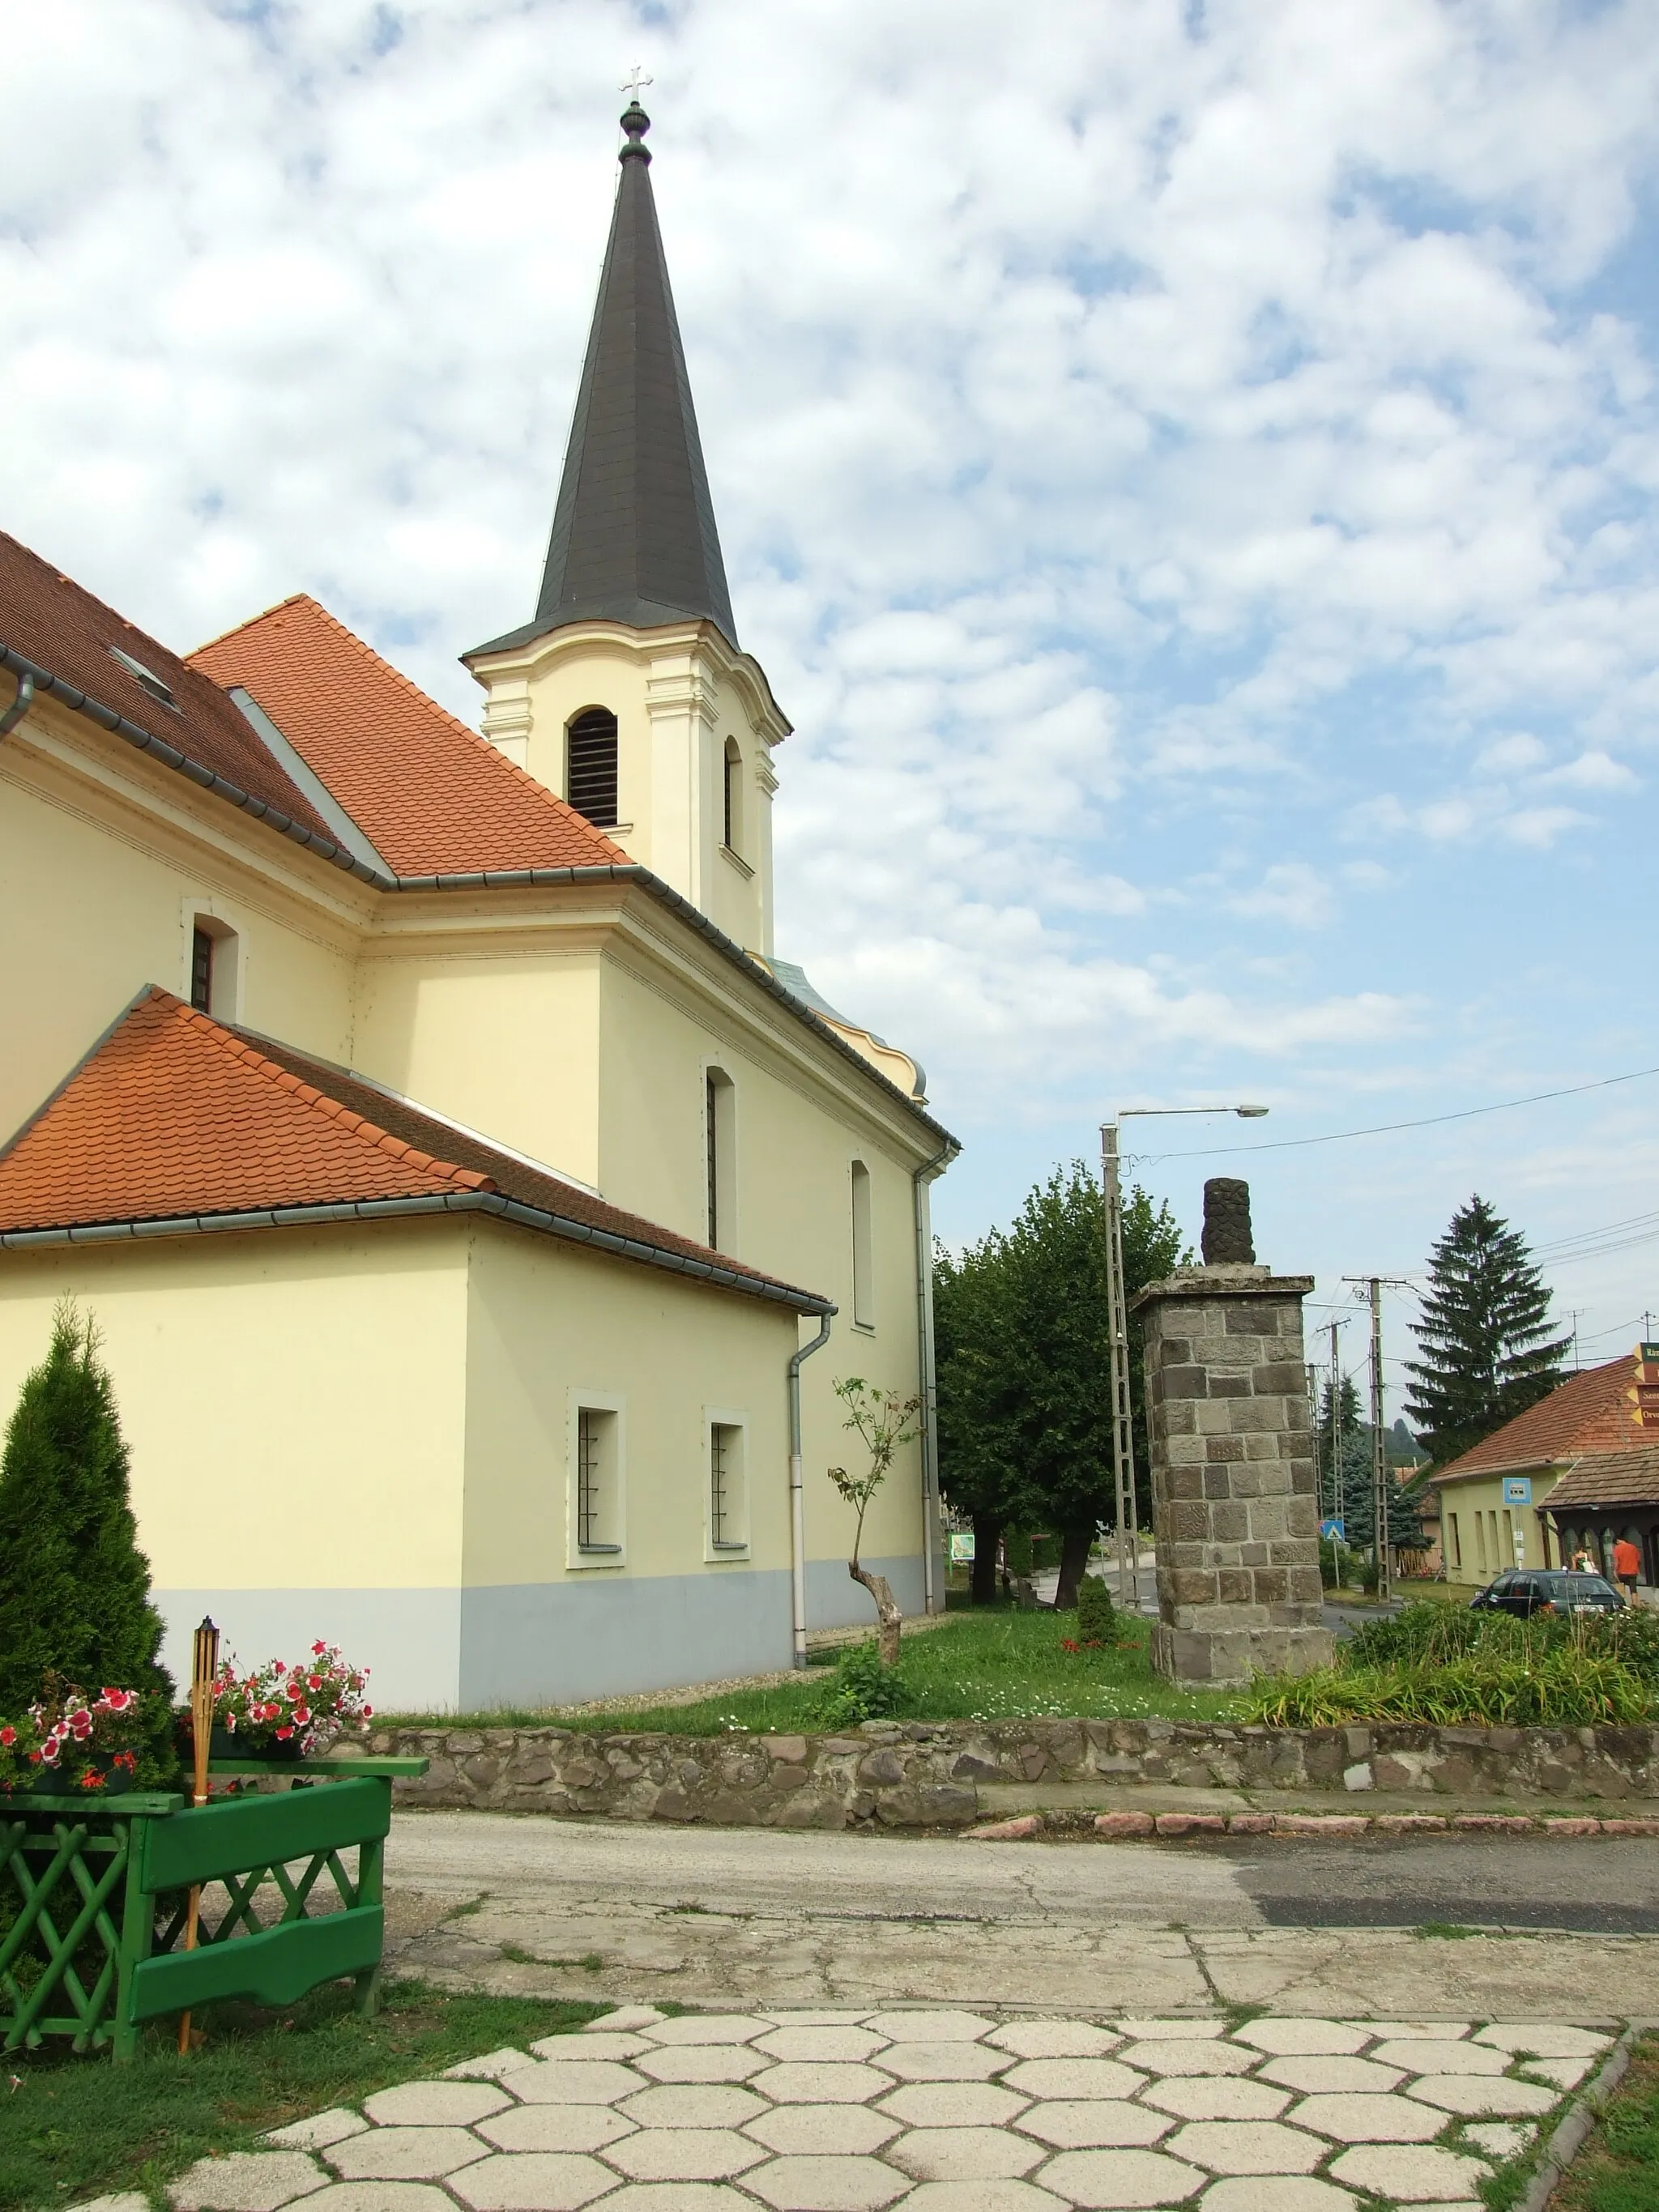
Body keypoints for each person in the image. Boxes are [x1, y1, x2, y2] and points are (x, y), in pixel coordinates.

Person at [1612, 1535, 1641, 1605]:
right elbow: (1638, 1560)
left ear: (1617, 1541)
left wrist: (1615, 1571)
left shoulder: (1617, 1548)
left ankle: (1622, 1604)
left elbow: (1616, 1561)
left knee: (1621, 1588)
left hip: (1622, 1571)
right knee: (1633, 1589)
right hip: (1633, 1571)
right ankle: (1635, 1604)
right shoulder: (1633, 1547)